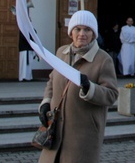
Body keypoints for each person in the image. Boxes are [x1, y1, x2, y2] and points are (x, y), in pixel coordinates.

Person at [38, 10, 118, 162]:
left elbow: (111, 94)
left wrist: (90, 88)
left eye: (87, 30)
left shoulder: (103, 59)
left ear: (93, 34)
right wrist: (46, 103)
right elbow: (52, 80)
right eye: (78, 29)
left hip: (83, 135)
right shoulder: (62, 52)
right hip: (55, 131)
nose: (82, 34)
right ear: (71, 32)